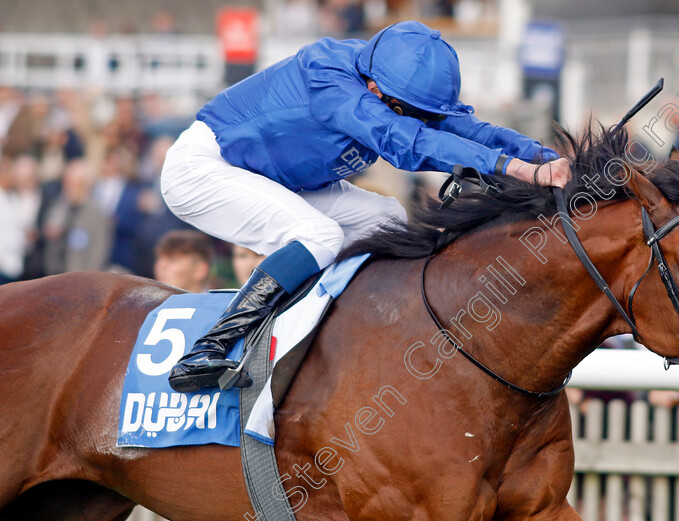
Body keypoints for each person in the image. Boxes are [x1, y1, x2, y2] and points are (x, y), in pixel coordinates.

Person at [160, 20, 571, 392]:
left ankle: (340, 331)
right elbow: (404, 139)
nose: (419, 119)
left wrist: (540, 156)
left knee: (385, 219)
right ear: (375, 89)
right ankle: (209, 347)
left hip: (274, 177)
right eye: (411, 112)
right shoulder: (330, 80)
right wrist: (511, 168)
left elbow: (462, 127)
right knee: (320, 235)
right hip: (204, 169)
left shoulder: (389, 77)